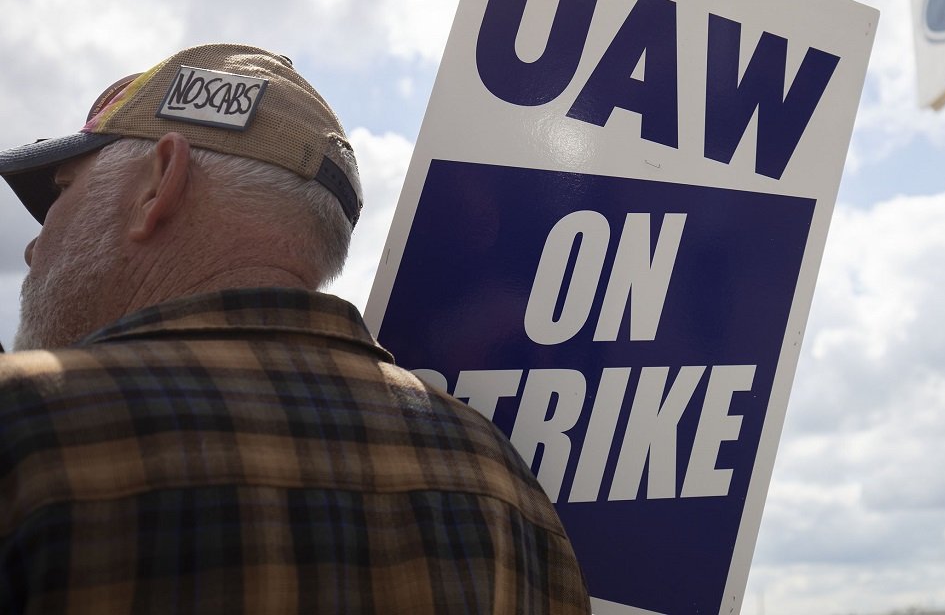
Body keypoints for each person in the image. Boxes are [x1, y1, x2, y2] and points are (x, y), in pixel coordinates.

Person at [0, 43, 590, 613]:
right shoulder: (508, 490)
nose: (34, 245)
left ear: (160, 183)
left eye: (61, 192)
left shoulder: (26, 429)